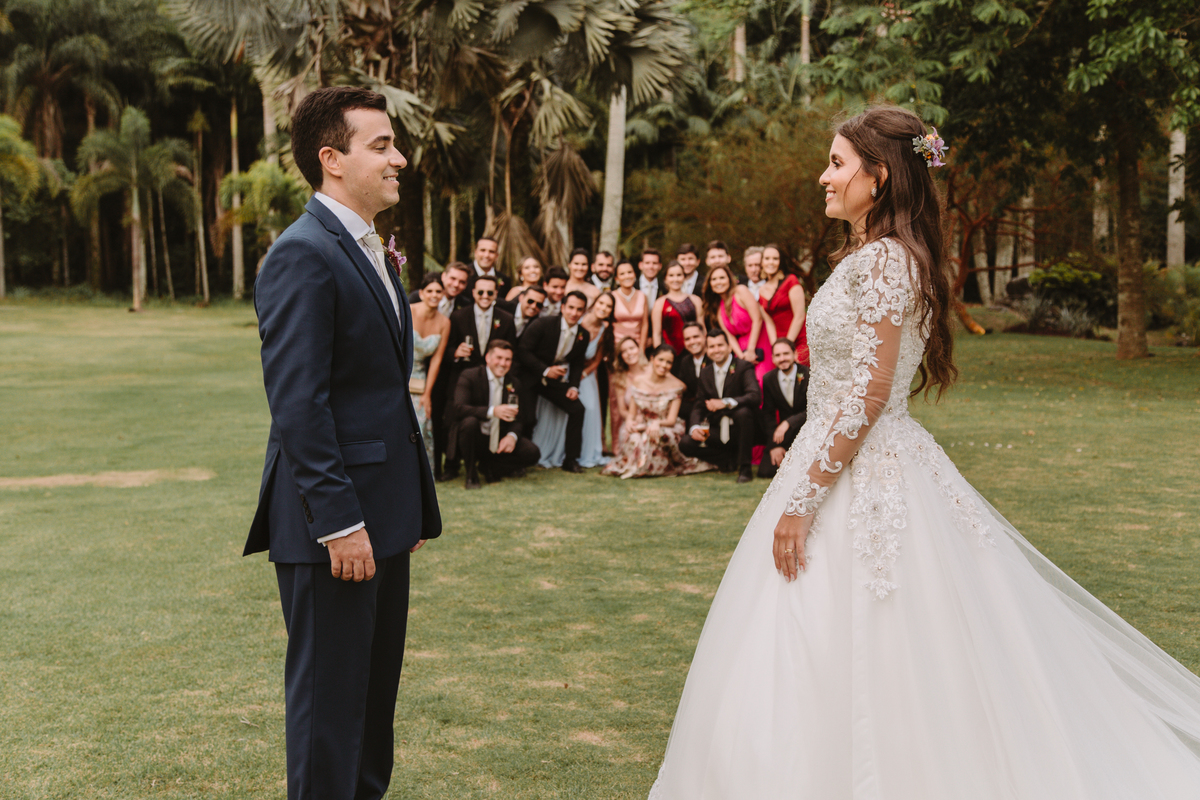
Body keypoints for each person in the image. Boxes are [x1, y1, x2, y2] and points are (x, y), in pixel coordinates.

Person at [649, 106, 1200, 800]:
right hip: (842, 452)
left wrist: (804, 500)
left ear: (878, 176)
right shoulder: (874, 256)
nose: (824, 176)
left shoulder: (886, 260)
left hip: (859, 467)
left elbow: (872, 391)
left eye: (837, 163)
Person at [247, 86, 441, 800]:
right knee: (329, 716)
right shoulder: (302, 254)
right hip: (333, 528)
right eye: (381, 145)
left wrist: (402, 509)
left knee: (370, 708)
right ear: (332, 159)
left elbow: (379, 394)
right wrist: (341, 524)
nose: (400, 158)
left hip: (381, 517)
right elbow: (300, 406)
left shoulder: (371, 251)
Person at [441, 275, 517, 475]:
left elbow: (513, 352)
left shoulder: (506, 319)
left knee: (483, 420)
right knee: (453, 420)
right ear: (473, 293)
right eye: (480, 292)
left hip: (493, 378)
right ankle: (451, 465)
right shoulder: (458, 316)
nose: (485, 296)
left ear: (496, 294)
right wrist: (455, 353)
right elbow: (445, 350)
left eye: (489, 292)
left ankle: (488, 461)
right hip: (462, 377)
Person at [603, 345, 715, 479]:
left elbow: (671, 420)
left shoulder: (676, 386)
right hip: (643, 423)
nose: (664, 365)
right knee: (633, 436)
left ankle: (654, 468)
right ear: (652, 359)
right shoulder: (638, 382)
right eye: (661, 360)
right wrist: (629, 422)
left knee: (653, 436)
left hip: (666, 425)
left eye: (669, 362)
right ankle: (634, 466)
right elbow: (632, 413)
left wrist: (657, 423)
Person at [448, 339, 540, 489]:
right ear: (488, 358)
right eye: (499, 358)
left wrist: (511, 436)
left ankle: (491, 467)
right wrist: (492, 411)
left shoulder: (514, 383)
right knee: (469, 422)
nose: (503, 363)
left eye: (508, 359)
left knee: (532, 452)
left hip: (498, 438)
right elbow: (459, 408)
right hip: (475, 436)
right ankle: (471, 476)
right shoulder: (470, 375)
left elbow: (518, 418)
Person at [516, 290, 590, 472]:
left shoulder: (583, 334)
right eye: (571, 307)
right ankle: (520, 461)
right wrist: (545, 370)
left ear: (583, 312)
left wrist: (574, 386)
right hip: (529, 376)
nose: (574, 313)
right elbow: (523, 351)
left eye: (579, 309)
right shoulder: (542, 324)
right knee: (528, 418)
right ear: (562, 307)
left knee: (577, 409)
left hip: (553, 380)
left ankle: (571, 460)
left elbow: (577, 363)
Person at [677, 328, 760, 483]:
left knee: (743, 412)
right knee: (686, 443)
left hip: (741, 429)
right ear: (707, 350)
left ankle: (745, 468)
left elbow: (754, 395)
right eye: (712, 346)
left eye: (720, 345)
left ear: (729, 347)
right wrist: (694, 427)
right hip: (717, 430)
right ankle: (726, 460)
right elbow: (699, 404)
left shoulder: (743, 367)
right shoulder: (705, 372)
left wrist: (725, 402)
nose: (716, 350)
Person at [702, 263, 771, 385]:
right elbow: (729, 336)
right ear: (710, 284)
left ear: (729, 279)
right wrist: (741, 357)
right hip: (741, 349)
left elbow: (758, 319)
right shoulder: (718, 307)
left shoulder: (740, 291)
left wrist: (751, 350)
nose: (718, 282)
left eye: (722, 277)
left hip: (760, 339)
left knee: (761, 379)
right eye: (714, 279)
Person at [409, 273, 451, 465]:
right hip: (400, 372)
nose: (434, 295)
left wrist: (427, 394)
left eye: (438, 291)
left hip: (420, 377)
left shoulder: (444, 323)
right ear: (421, 293)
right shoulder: (409, 311)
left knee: (422, 422)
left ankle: (422, 471)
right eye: (430, 291)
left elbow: (436, 360)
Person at [756, 337, 807, 479]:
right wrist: (774, 445)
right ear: (772, 358)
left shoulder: (809, 374)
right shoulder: (768, 379)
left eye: (786, 354)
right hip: (785, 435)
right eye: (778, 355)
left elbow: (814, 409)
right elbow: (768, 414)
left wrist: (789, 422)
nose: (782, 358)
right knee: (765, 471)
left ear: (794, 354)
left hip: (806, 429)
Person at [758, 243, 810, 366]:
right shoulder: (761, 290)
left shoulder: (791, 281)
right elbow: (769, 322)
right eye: (767, 258)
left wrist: (787, 345)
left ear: (780, 262)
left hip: (799, 339)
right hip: (780, 342)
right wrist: (776, 347)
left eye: (775, 259)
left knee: (800, 370)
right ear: (762, 262)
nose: (771, 262)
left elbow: (799, 316)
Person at [651, 261, 702, 356]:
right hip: (669, 353)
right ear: (665, 278)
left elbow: (702, 329)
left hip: (693, 350)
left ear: (684, 277)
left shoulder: (695, 300)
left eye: (679, 275)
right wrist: (659, 355)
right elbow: (656, 334)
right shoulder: (659, 303)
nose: (675, 279)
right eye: (671, 275)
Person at [608, 335, 647, 451]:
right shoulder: (620, 379)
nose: (629, 353)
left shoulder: (651, 371)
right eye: (624, 351)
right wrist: (634, 418)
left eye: (632, 348)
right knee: (632, 437)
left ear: (639, 349)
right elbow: (622, 410)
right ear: (621, 357)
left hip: (653, 419)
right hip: (632, 421)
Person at [670, 321, 707, 423]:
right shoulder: (685, 361)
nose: (692, 341)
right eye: (687, 339)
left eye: (696, 337)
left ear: (704, 336)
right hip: (693, 409)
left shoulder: (714, 358)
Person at [406, 262, 471, 317]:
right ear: (443, 276)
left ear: (466, 284)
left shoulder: (465, 306)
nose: (456, 284)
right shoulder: (417, 298)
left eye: (462, 282)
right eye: (453, 278)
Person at [612, 260, 649, 353]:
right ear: (616, 279)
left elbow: (645, 324)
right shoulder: (612, 296)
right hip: (616, 346)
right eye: (622, 274)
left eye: (629, 272)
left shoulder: (642, 296)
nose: (627, 276)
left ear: (635, 275)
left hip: (637, 346)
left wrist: (641, 349)